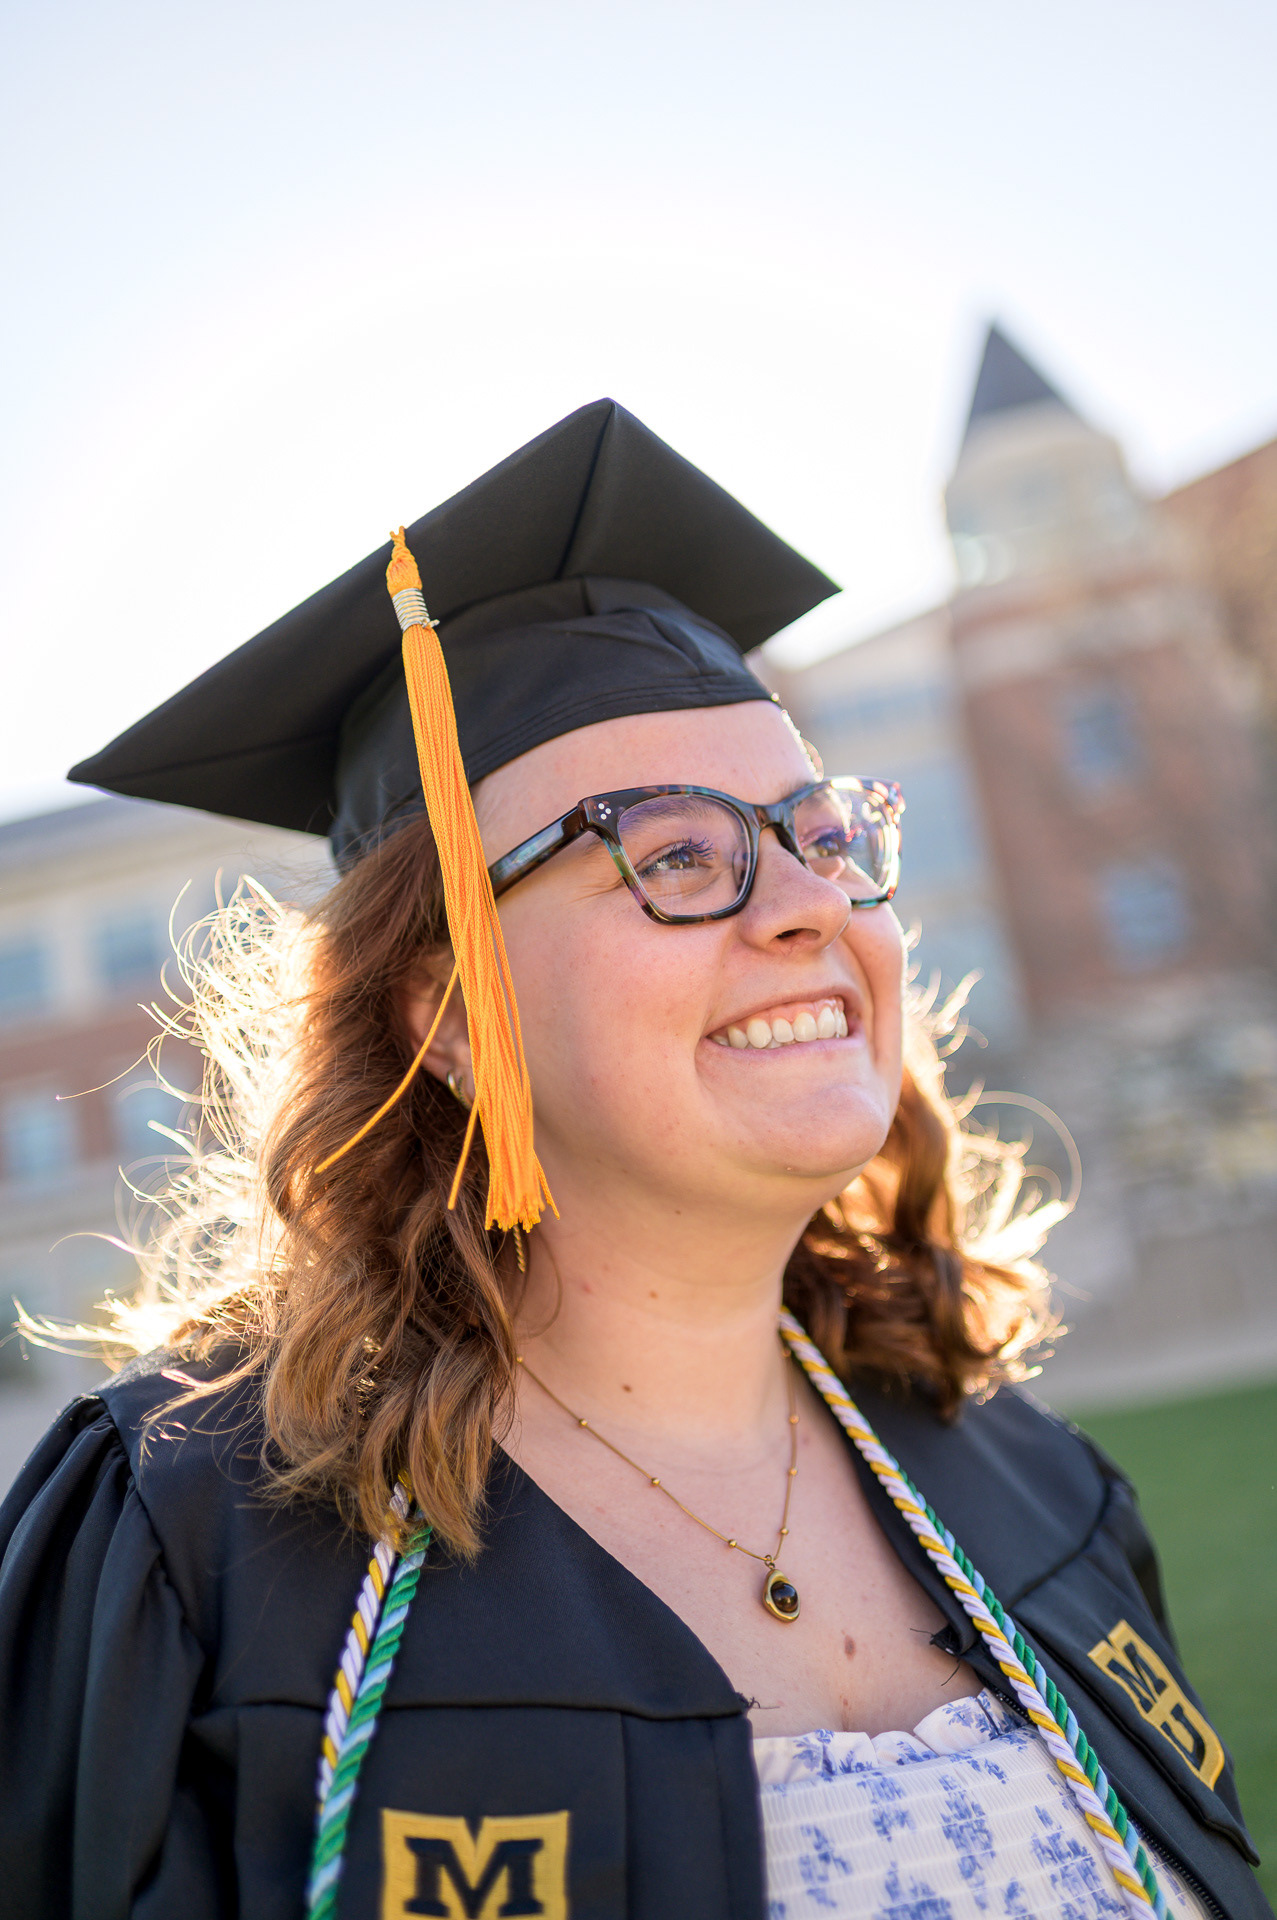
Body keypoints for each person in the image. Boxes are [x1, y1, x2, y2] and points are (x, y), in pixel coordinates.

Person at [0, 401, 1266, 1920]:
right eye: (672, 853)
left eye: (818, 833)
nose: (807, 905)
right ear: (451, 1011)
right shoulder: (194, 1557)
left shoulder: (1035, 1487)